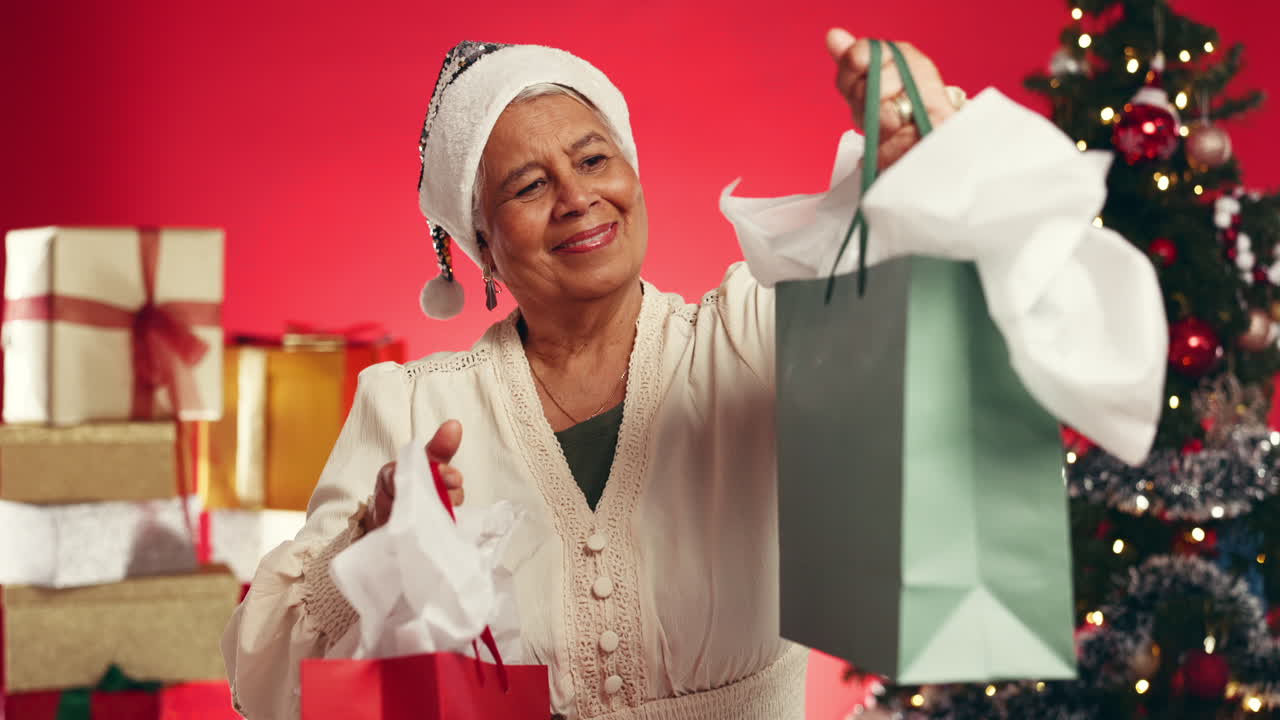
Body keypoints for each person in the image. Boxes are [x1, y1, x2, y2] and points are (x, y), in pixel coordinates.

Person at [222, 29, 1163, 720]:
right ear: (482, 248)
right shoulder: (414, 407)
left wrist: (922, 164)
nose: (576, 196)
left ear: (633, 174)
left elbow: (946, 327)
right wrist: (371, 558)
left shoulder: (753, 332)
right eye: (527, 184)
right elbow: (264, 676)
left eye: (594, 158)